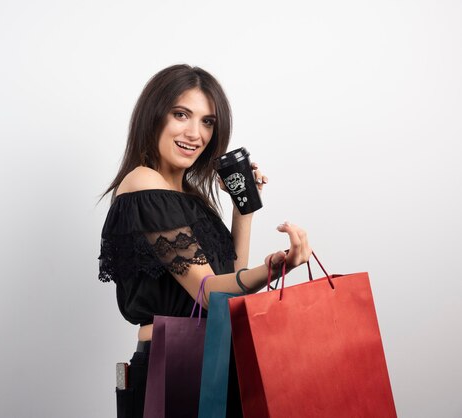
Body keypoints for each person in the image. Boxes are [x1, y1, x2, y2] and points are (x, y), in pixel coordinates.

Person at [98, 64, 312, 418]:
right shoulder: (143, 183)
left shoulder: (190, 196)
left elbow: (231, 286)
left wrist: (243, 209)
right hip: (174, 368)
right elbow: (210, 293)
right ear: (153, 116)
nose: (195, 133)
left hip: (214, 360)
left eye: (207, 121)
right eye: (181, 114)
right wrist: (276, 267)